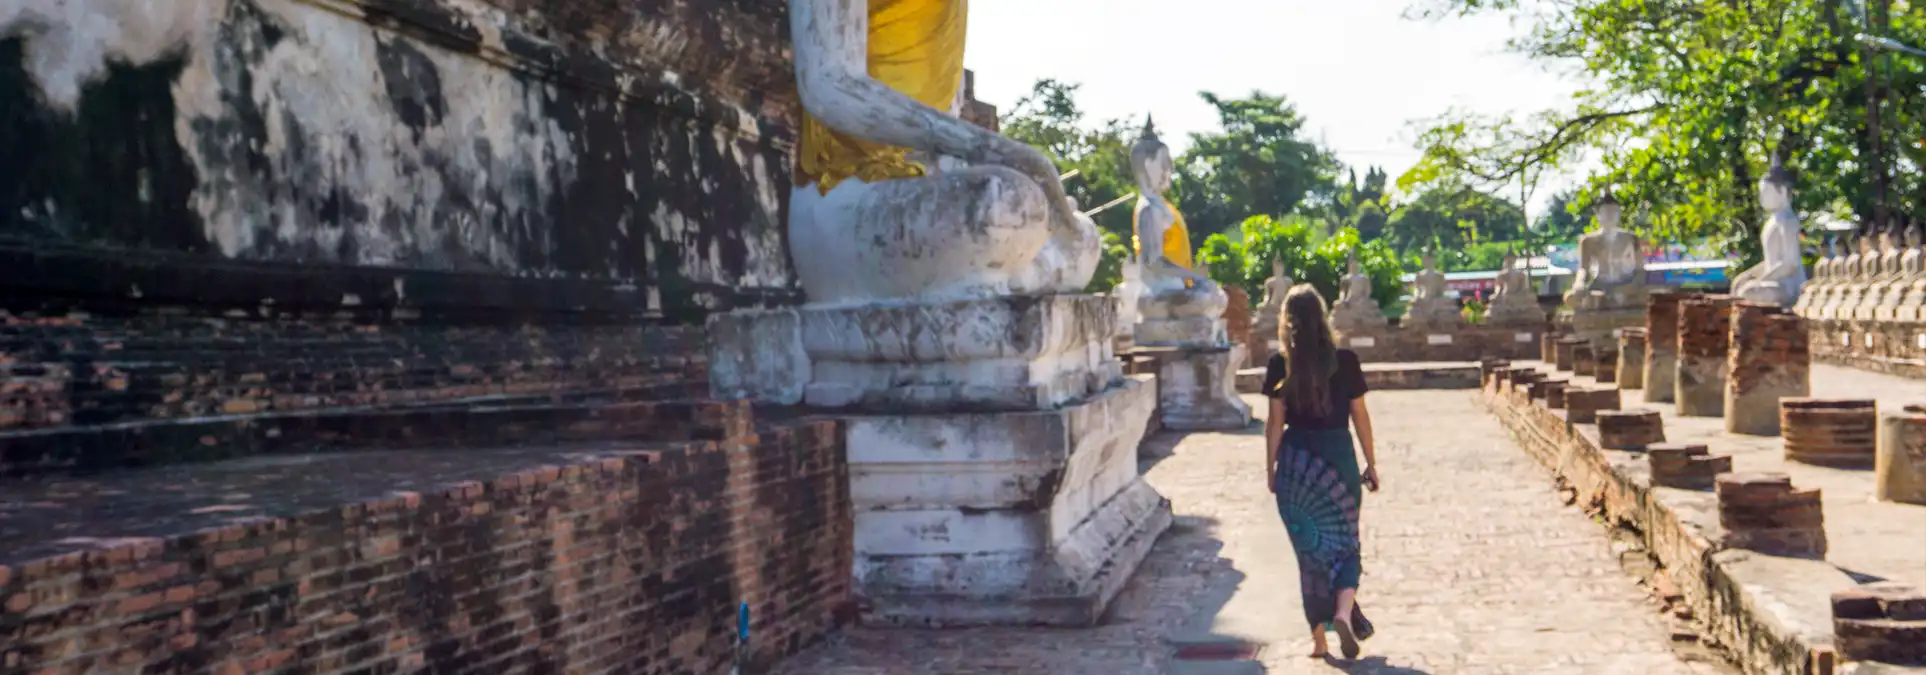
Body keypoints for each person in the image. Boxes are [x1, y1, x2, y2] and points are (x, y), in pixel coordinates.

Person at [1261, 284, 1381, 660]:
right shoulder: (1345, 361)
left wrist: (1271, 470)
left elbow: (1274, 424)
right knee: (1345, 544)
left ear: (1287, 323)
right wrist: (1371, 463)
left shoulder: (1281, 364)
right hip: (1337, 459)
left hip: (1296, 465)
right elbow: (1360, 415)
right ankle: (1344, 612)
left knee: (1310, 554)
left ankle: (1319, 641)